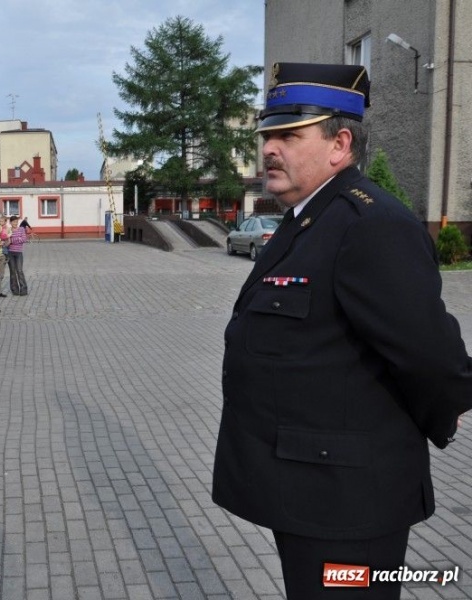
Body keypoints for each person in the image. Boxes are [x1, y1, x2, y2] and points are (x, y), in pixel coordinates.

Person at [211, 63, 472, 600]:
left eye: (289, 135)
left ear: (340, 143)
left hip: (351, 503)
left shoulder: (370, 225)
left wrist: (443, 412)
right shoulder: (307, 219)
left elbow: (430, 356)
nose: (269, 148)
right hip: (311, 494)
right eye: (267, 135)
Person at [6, 215, 28, 295]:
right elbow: (6, 241)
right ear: (10, 222)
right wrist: (17, 239)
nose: (15, 223)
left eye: (16, 221)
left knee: (19, 271)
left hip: (19, 253)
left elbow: (24, 239)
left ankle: (23, 289)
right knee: (12, 272)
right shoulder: (8, 230)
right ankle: (14, 290)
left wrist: (12, 240)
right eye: (13, 222)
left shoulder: (21, 229)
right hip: (10, 253)